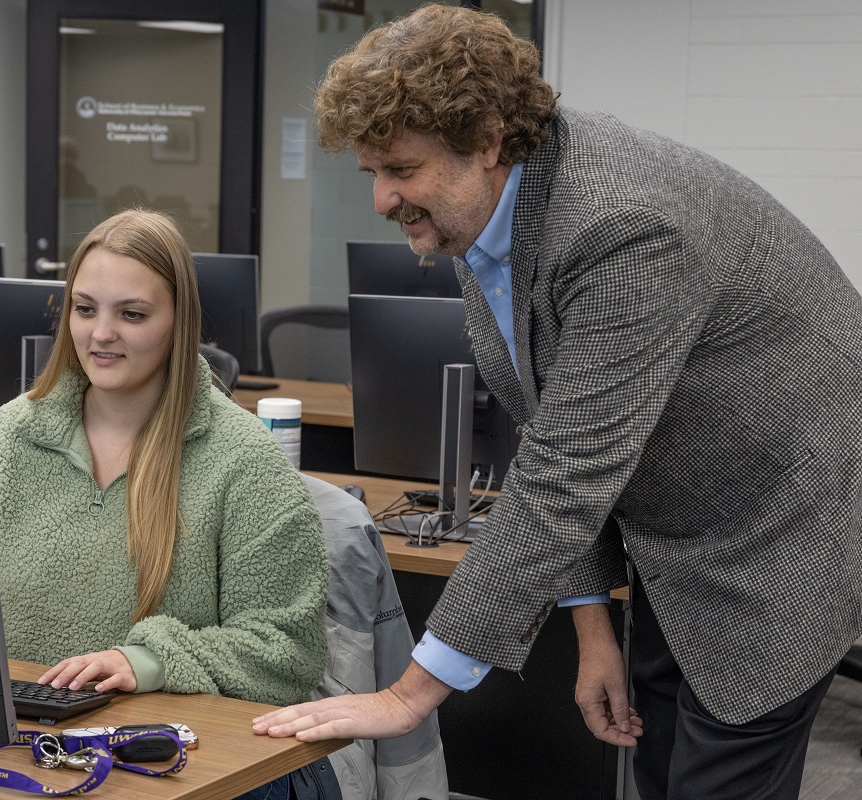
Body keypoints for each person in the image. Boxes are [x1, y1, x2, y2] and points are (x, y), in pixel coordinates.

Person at [253, 6, 862, 799]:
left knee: (722, 781)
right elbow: (548, 416)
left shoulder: (620, 227)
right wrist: (591, 621)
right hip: (672, 527)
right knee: (658, 767)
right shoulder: (484, 208)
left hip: (783, 520)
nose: (383, 198)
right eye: (372, 173)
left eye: (401, 168)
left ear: (490, 141)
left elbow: (564, 470)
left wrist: (409, 696)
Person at [0, 208, 331, 799]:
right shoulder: (8, 437)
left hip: (178, 764)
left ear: (179, 322)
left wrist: (147, 661)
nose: (100, 334)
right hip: (19, 751)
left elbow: (287, 652)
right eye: (84, 309)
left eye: (133, 315)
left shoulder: (244, 461)